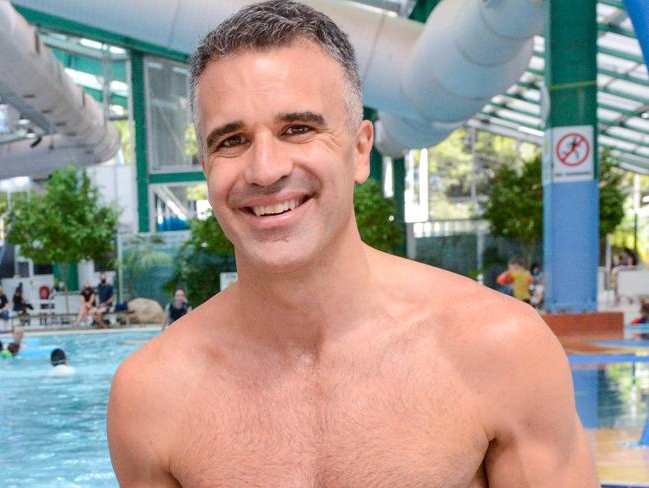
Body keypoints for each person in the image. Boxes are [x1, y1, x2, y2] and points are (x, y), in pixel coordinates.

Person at [107, 2, 599, 486]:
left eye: (297, 129)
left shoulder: (498, 349)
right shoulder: (152, 397)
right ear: (205, 165)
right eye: (230, 140)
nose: (265, 169)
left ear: (360, 150)